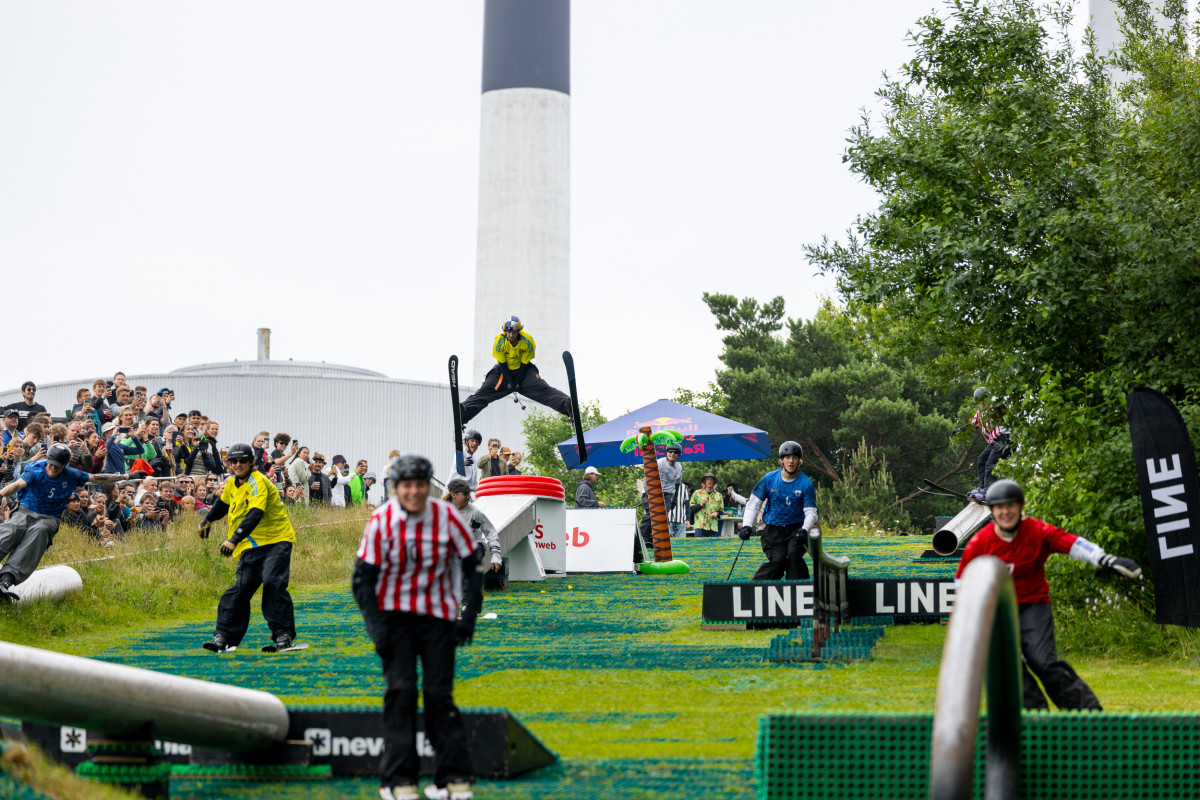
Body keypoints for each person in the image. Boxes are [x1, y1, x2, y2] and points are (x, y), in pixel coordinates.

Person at [351, 455, 484, 800]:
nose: (413, 492)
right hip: (395, 618)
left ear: (428, 487)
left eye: (420, 485)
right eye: (406, 486)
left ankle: (454, 780)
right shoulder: (382, 519)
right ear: (396, 488)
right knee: (401, 692)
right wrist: (376, 628)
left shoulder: (447, 517)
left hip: (438, 618)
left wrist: (469, 617)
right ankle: (400, 781)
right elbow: (362, 580)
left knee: (439, 695)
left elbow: (472, 567)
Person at [956, 479, 1142, 709]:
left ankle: (1089, 716)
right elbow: (961, 581)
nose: (1006, 512)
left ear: (1021, 506)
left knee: (1044, 662)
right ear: (992, 511)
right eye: (1000, 507)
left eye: (1011, 505)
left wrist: (1105, 559)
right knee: (1009, 668)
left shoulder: (1036, 531)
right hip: (998, 612)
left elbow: (1072, 544)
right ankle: (1036, 719)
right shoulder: (980, 542)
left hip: (1033, 605)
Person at [0, 444, 145, 599]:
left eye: (57, 466)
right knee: (14, 528)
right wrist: (1, 494)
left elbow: (96, 478)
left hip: (49, 518)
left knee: (39, 533)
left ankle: (6, 580)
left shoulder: (71, 474)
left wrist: (127, 477)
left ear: (64, 465)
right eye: (50, 464)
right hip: (25, 511)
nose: (52, 468)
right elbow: (17, 485)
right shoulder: (35, 470)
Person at [198, 442, 298, 652]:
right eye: (234, 461)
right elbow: (222, 504)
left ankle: (283, 635)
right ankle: (224, 637)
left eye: (242, 460)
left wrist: (234, 539)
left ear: (251, 462)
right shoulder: (232, 483)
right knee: (240, 589)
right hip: (251, 545)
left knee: (272, 582)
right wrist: (207, 520)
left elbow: (255, 513)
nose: (238, 464)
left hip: (276, 541)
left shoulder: (258, 481)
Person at [460, 316, 572, 424]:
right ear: (505, 331)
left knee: (542, 389)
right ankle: (464, 412)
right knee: (485, 391)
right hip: (503, 372)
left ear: (519, 331)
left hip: (524, 372)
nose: (511, 335)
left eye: (514, 332)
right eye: (508, 332)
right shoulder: (499, 341)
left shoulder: (527, 341)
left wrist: (516, 382)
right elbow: (502, 364)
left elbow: (524, 364)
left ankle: (567, 405)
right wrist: (511, 382)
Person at [739, 441, 818, 581]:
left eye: (795, 458)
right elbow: (754, 503)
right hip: (773, 530)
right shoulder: (769, 479)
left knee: (794, 555)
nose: (791, 461)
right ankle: (758, 586)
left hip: (796, 529)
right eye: (787, 457)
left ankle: (799, 587)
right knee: (778, 559)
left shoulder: (806, 483)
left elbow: (811, 512)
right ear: (781, 461)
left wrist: (804, 530)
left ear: (800, 461)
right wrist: (747, 526)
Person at [965, 387, 1014, 502]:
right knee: (981, 460)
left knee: (990, 464)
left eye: (984, 401)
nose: (983, 405)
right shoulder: (980, 413)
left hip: (1007, 439)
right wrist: (960, 431)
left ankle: (990, 493)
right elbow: (972, 425)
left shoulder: (997, 406)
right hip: (996, 441)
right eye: (980, 403)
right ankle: (983, 488)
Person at [445, 478, 503, 572]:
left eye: (469, 494)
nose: (469, 497)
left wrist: (495, 556)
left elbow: (490, 532)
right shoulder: (442, 511)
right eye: (465, 494)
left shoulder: (474, 513)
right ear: (453, 494)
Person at [657, 443, 685, 537]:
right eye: (670, 451)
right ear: (666, 452)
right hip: (654, 492)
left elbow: (677, 484)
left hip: (667, 494)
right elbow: (647, 478)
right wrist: (648, 493)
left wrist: (675, 500)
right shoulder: (660, 463)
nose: (672, 454)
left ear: (679, 455)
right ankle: (645, 537)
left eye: (675, 452)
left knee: (663, 517)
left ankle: (661, 537)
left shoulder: (679, 467)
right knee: (651, 515)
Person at [690, 473, 723, 537]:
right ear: (704, 481)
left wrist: (717, 513)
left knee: (712, 543)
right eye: (707, 479)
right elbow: (691, 509)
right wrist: (701, 504)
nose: (709, 481)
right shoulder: (697, 493)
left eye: (711, 479)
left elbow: (721, 510)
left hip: (713, 526)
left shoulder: (719, 495)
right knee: (698, 543)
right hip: (700, 526)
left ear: (714, 481)